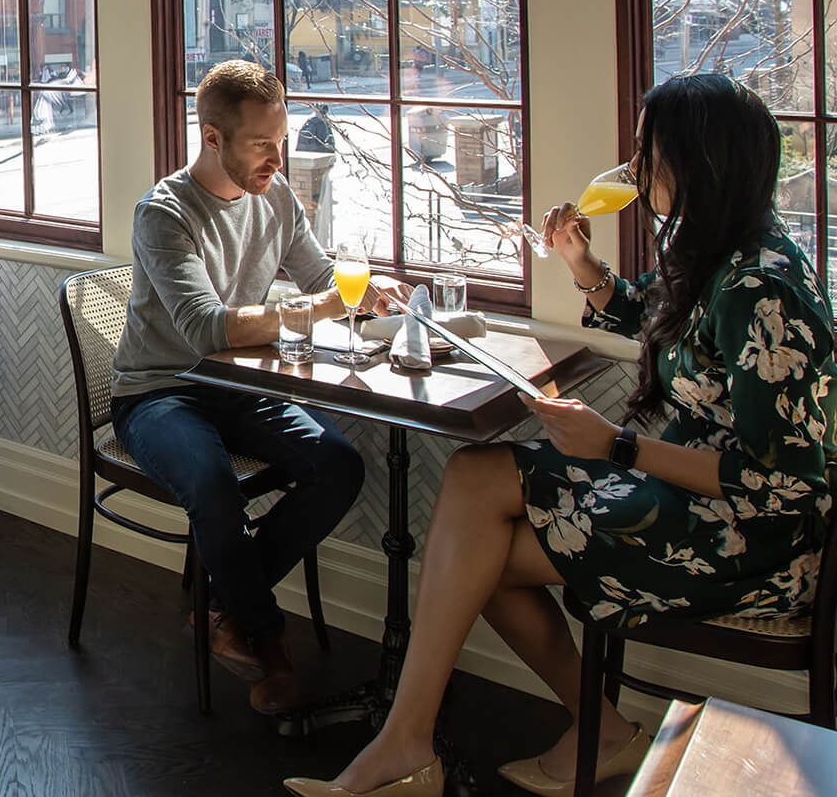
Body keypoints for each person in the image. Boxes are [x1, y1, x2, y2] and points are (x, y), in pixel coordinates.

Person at [290, 74, 835, 797]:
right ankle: (424, 743)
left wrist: (616, 445)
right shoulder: (719, 256)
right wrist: (582, 265)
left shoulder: (763, 289)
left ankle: (418, 747)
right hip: (690, 499)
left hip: (752, 541)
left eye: (649, 151)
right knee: (474, 496)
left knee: (473, 550)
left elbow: (787, 485)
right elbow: (660, 325)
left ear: (700, 161)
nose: (634, 168)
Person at [111, 59, 401, 715]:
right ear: (213, 138)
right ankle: (267, 639)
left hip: (240, 386)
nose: (280, 156)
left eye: (283, 138)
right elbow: (206, 329)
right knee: (212, 483)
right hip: (160, 390)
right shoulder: (164, 213)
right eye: (262, 144)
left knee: (340, 464)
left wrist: (367, 294)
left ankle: (221, 607)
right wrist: (331, 306)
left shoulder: (278, 199)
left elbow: (322, 277)